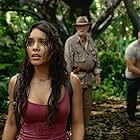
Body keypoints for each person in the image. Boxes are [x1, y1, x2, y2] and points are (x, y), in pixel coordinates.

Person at [2, 20, 84, 140]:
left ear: (54, 47)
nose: (35, 48)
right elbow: (11, 124)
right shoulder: (17, 82)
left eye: (42, 42)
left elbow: (77, 124)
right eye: (30, 42)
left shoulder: (71, 82)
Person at [64, 16, 101, 132]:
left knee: (87, 107)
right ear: (76, 27)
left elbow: (96, 59)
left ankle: (83, 131)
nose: (81, 28)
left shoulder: (91, 41)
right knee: (73, 107)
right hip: (76, 79)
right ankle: (70, 131)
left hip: (88, 80)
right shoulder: (70, 42)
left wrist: (97, 74)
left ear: (88, 27)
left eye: (84, 26)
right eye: (79, 26)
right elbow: (67, 61)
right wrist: (68, 80)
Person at [124, 30, 140, 127]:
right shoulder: (132, 48)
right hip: (132, 76)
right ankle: (131, 117)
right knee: (132, 97)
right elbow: (131, 67)